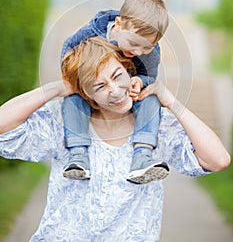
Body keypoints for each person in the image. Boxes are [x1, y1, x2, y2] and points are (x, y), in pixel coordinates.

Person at [0, 37, 230, 241]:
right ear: (86, 94)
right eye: (99, 86)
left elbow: (217, 160)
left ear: (130, 71)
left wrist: (170, 101)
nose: (114, 90)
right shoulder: (63, 122)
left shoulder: (158, 126)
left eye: (117, 75)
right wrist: (57, 89)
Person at [61, 0, 170, 184]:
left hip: (126, 94)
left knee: (151, 101)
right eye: (134, 43)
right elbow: (68, 54)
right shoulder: (89, 34)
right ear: (118, 25)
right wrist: (76, 82)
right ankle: (78, 156)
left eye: (146, 47)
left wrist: (141, 82)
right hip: (94, 90)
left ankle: (142, 156)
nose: (137, 52)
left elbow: (150, 76)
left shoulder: (151, 53)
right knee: (73, 101)